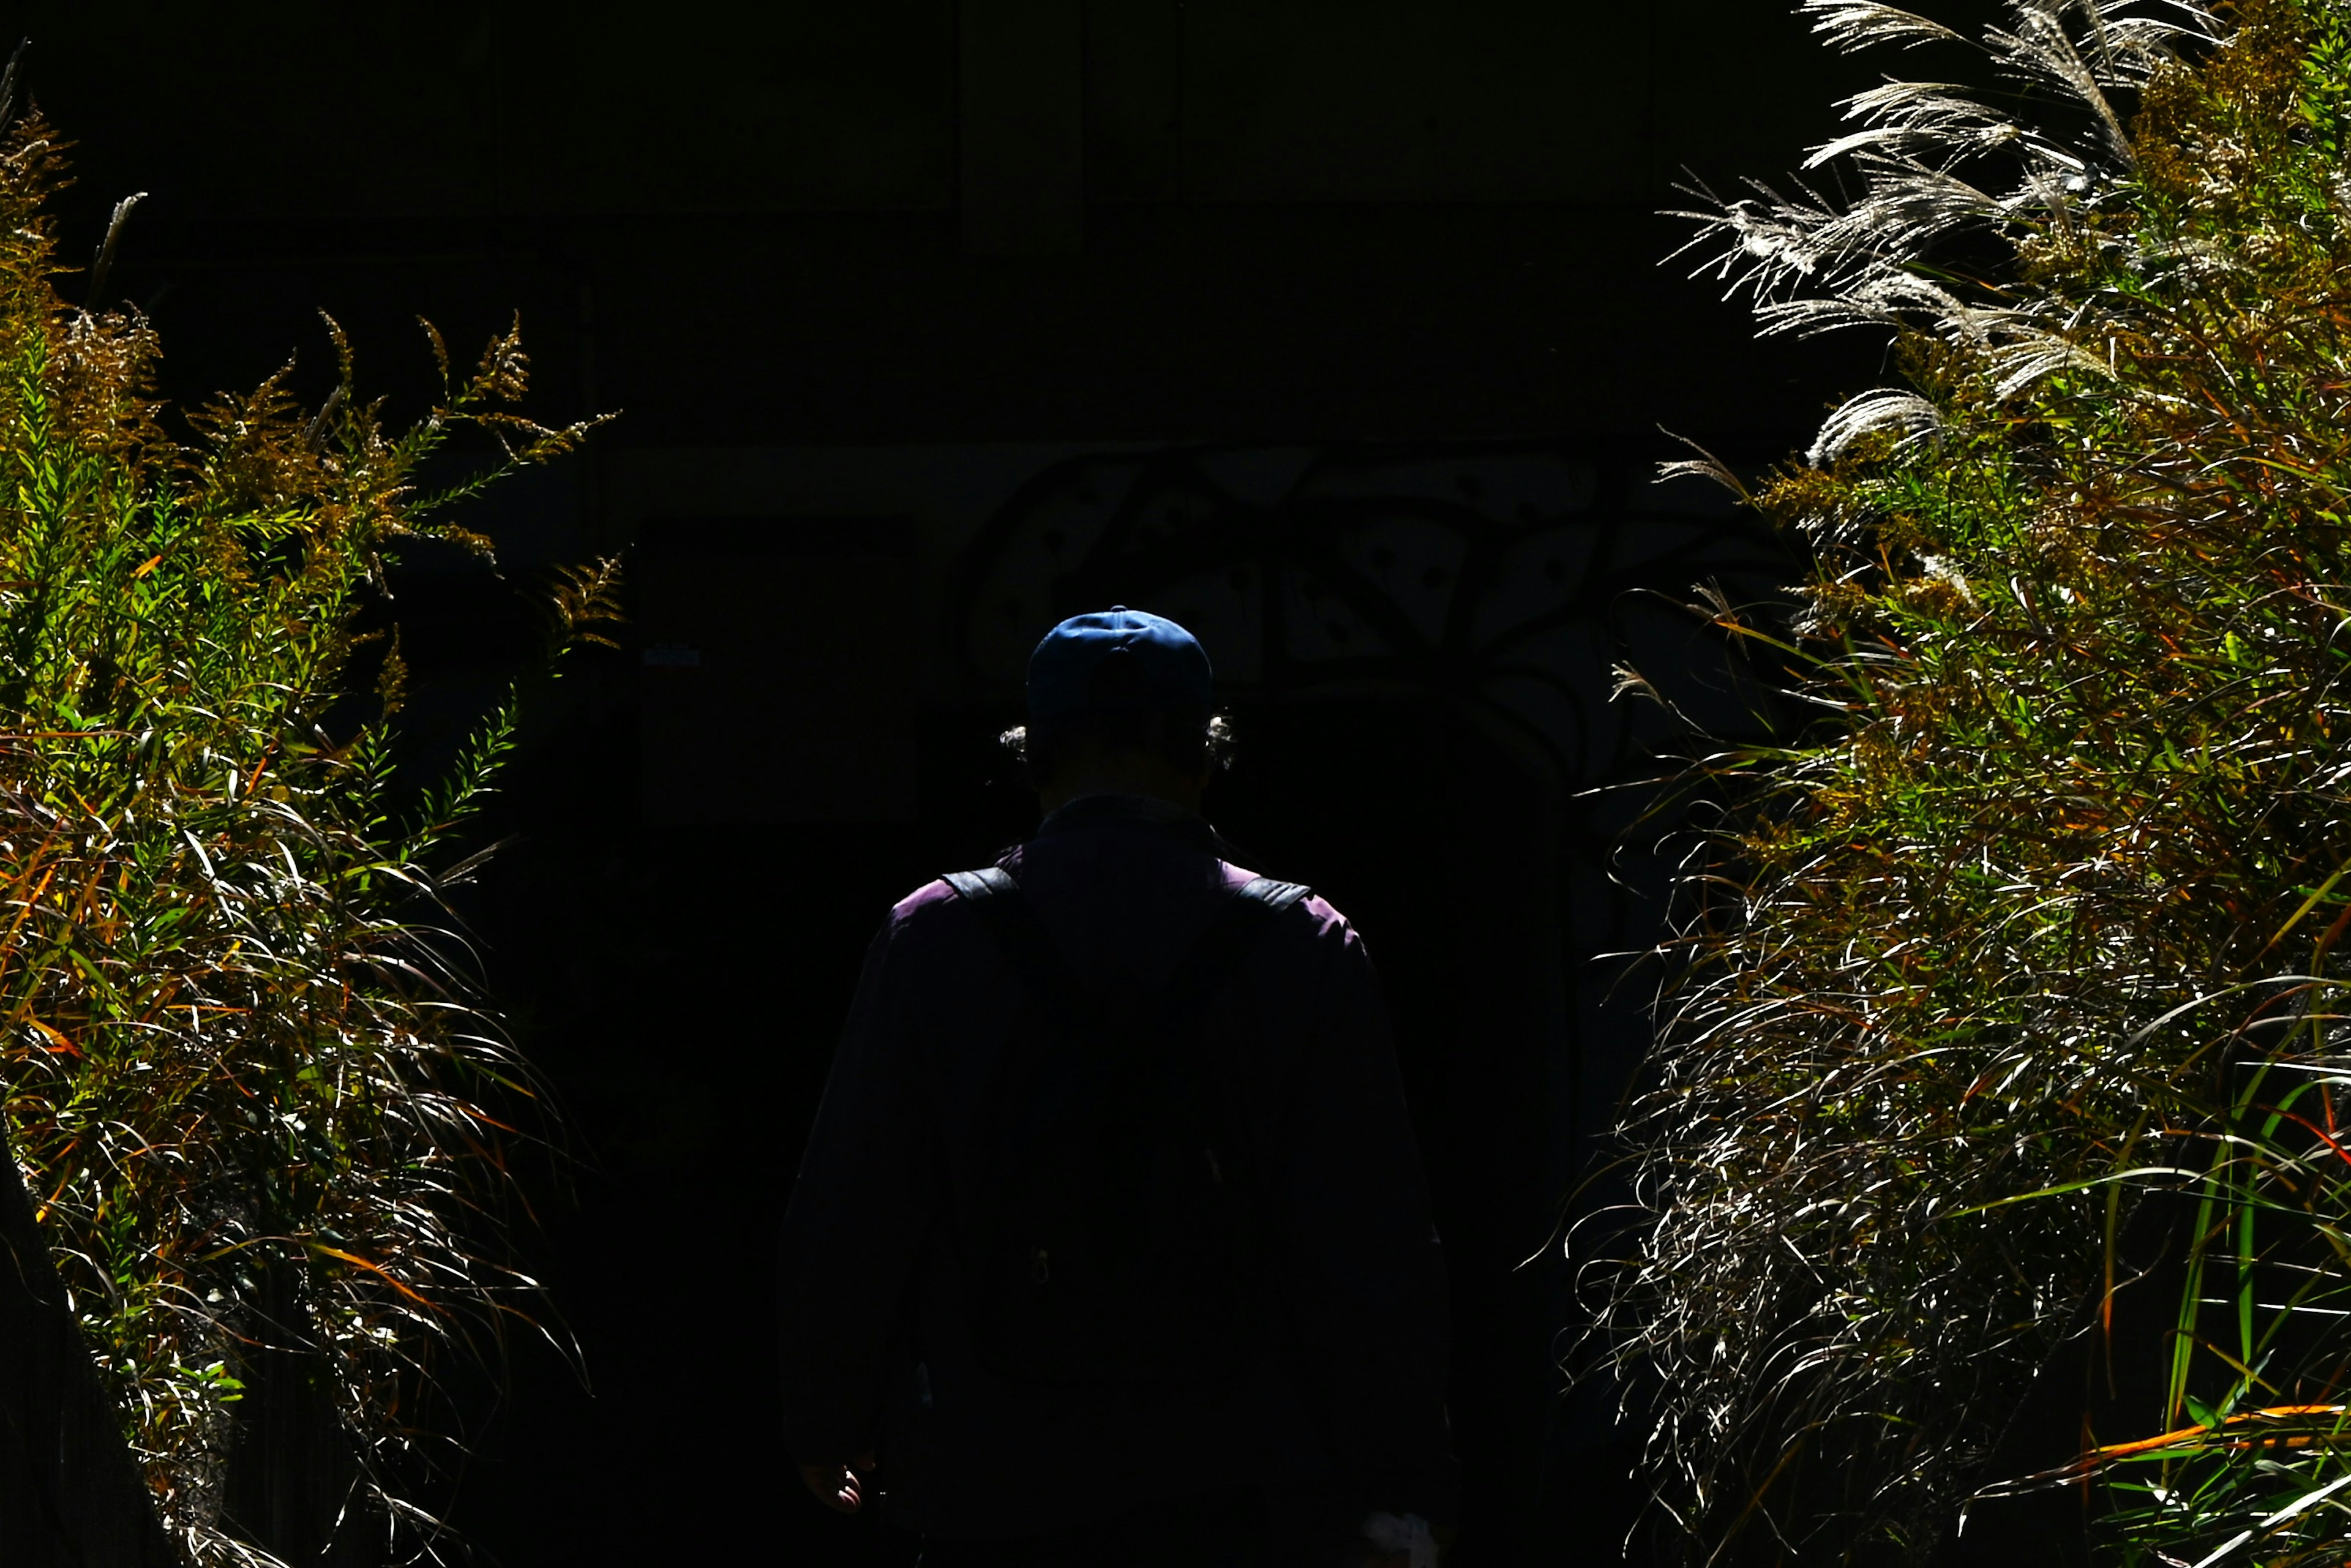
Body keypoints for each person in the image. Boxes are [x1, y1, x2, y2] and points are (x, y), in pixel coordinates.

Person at [777, 607, 1458, 1566]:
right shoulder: (1305, 943)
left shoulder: (931, 936)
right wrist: (1403, 1485)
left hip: (992, 1468)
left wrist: (827, 1413)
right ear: (1204, 753)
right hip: (1240, 1478)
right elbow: (1370, 1237)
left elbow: (856, 1201)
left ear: (1035, 755)